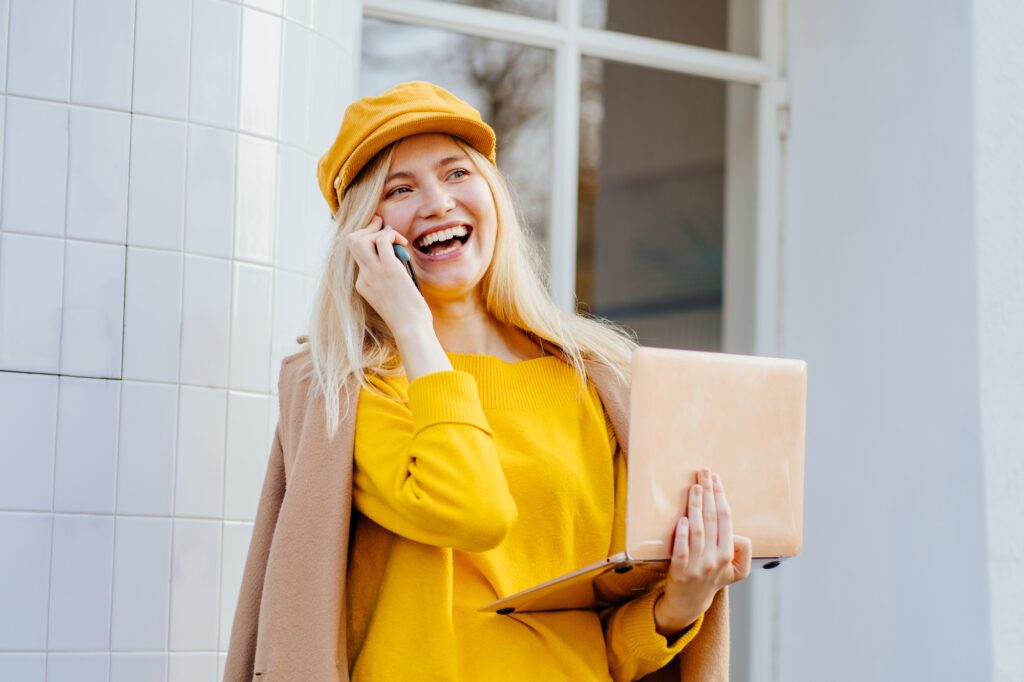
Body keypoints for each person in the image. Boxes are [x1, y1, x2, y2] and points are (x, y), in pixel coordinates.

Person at [224, 81, 751, 682]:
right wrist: (414, 329)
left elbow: (597, 638)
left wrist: (680, 604)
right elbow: (473, 511)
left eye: (455, 174)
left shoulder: (595, 378)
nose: (438, 203)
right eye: (401, 188)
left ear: (491, 194)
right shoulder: (353, 389)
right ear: (367, 236)